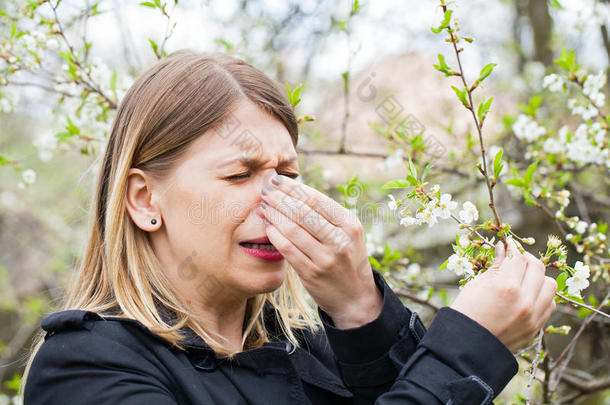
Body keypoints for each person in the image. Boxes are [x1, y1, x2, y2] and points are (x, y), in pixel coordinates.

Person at [21, 50, 557, 404]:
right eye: (239, 174)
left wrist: (360, 309)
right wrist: (466, 350)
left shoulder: (309, 347)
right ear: (143, 199)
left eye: (288, 174)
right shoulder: (88, 368)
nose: (280, 199)